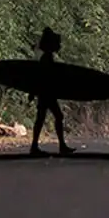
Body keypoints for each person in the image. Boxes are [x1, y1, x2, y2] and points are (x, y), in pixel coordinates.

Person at [30, 27, 76, 156]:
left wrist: (33, 92)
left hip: (45, 92)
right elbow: (42, 76)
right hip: (46, 93)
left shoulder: (47, 57)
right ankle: (59, 146)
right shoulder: (47, 58)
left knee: (42, 118)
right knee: (53, 117)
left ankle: (37, 146)